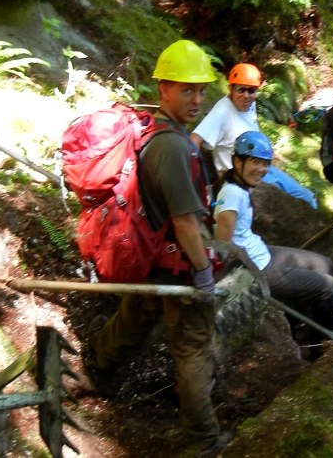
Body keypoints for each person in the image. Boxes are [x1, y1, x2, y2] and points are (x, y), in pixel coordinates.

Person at [89, 40, 230, 457]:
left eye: (201, 90)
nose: (197, 99)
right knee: (192, 346)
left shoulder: (155, 130)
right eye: (187, 90)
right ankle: (202, 438)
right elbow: (185, 221)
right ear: (164, 88)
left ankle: (100, 367)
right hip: (179, 260)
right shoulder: (172, 145)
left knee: (135, 314)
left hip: (153, 251)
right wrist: (203, 273)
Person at [214, 131, 333, 335]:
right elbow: (223, 246)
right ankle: (324, 337)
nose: (261, 169)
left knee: (324, 264)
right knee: (329, 286)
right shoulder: (232, 194)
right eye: (255, 162)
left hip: (260, 253)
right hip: (255, 269)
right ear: (237, 161)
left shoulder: (240, 186)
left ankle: (309, 318)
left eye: (265, 164)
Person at [191, 63, 318, 208]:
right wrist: (191, 180)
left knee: (307, 197)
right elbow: (194, 139)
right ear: (231, 89)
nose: (246, 95)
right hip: (241, 177)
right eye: (241, 89)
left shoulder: (250, 105)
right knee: (286, 204)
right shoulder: (221, 112)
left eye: (251, 90)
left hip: (261, 167)